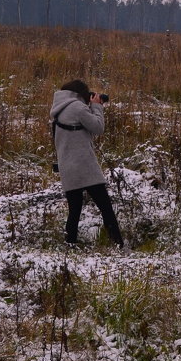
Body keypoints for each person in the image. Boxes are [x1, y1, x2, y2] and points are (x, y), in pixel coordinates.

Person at [50, 79, 125, 248]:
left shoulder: (59, 110)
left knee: (74, 212)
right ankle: (118, 244)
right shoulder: (77, 107)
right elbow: (98, 127)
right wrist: (97, 106)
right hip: (85, 167)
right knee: (106, 208)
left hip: (68, 168)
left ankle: (69, 246)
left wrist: (89, 107)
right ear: (81, 94)